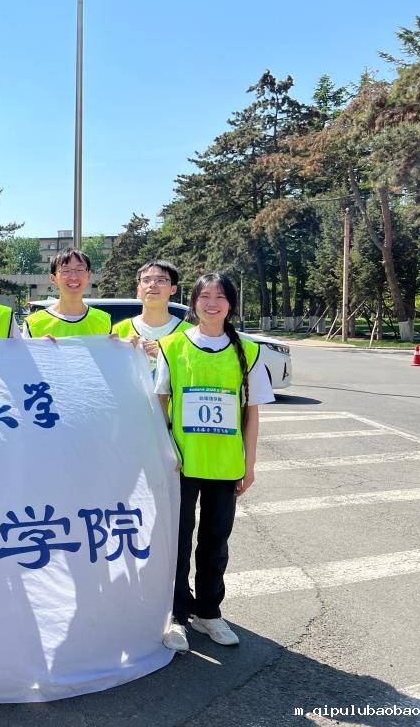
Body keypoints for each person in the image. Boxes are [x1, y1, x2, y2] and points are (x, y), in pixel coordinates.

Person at [156, 273, 274, 653]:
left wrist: (249, 464)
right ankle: (176, 614)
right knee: (177, 541)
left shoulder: (249, 351)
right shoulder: (172, 346)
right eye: (204, 296)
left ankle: (208, 612)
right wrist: (166, 452)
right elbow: (159, 405)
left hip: (224, 465)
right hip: (182, 464)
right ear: (193, 302)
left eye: (220, 296)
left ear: (231, 304)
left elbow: (252, 413)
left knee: (215, 541)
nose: (211, 303)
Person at [112, 260, 193, 373]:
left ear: (173, 289)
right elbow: (109, 371)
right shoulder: (119, 330)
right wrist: (122, 354)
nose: (152, 284)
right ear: (138, 289)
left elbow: (194, 374)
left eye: (161, 280)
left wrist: (165, 357)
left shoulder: (189, 332)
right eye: (146, 280)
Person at [22, 247, 113, 338]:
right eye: (66, 270)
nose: (73, 277)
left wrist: (118, 344)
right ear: (53, 279)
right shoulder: (33, 324)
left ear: (89, 276)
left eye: (79, 270)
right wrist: (37, 345)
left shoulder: (104, 320)